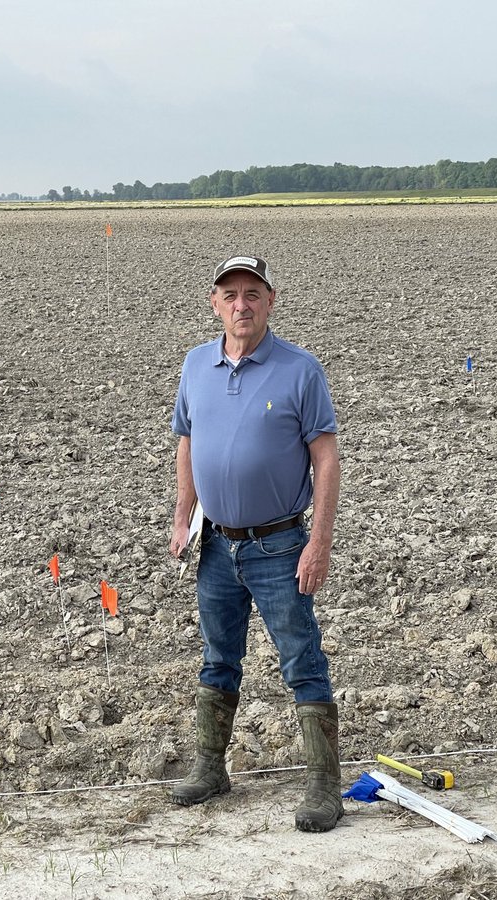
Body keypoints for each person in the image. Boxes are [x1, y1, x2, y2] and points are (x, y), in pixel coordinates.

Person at [168, 255, 342, 833]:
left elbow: (326, 457)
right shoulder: (196, 365)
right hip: (217, 545)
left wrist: (318, 542)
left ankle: (323, 785)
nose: (241, 305)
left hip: (279, 544)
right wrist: (182, 516)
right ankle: (210, 767)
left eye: (252, 293)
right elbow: (187, 444)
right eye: (230, 294)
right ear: (214, 303)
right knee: (218, 657)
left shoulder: (300, 370)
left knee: (301, 659)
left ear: (271, 301)